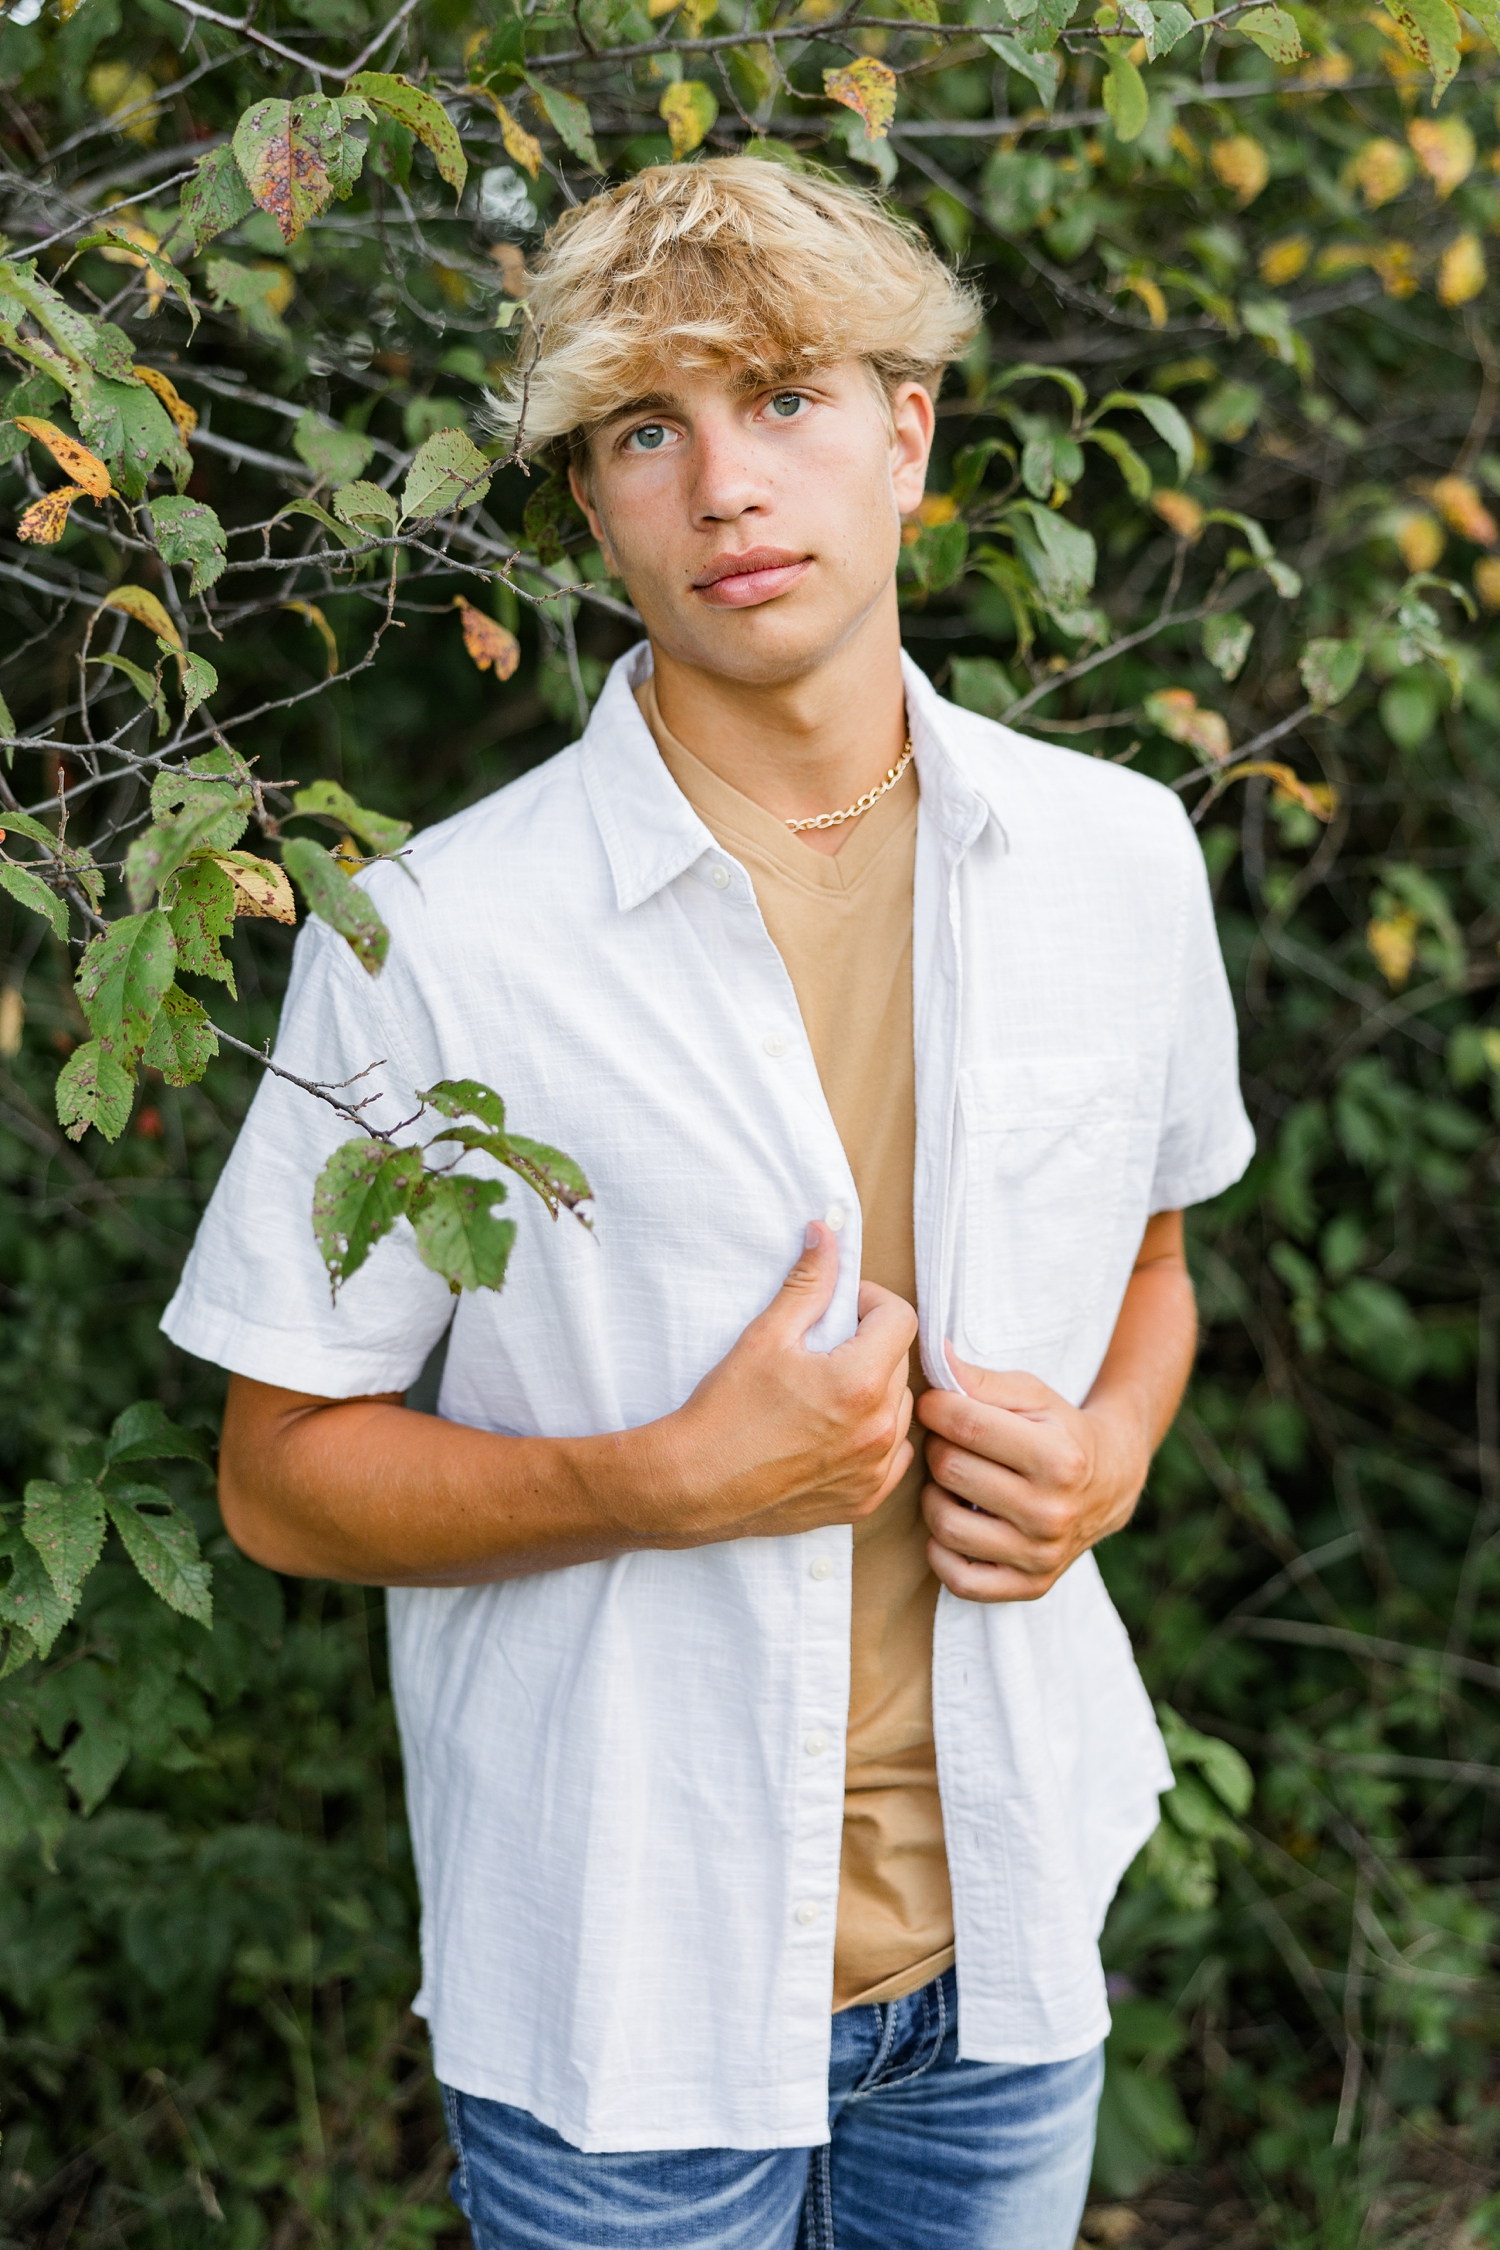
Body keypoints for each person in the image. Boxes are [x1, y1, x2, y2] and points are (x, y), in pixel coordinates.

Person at [163, 157, 1254, 2250]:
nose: (724, 486)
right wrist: (663, 1480)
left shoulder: (1121, 861)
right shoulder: (437, 938)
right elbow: (281, 1479)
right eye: (646, 432)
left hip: (1011, 1954)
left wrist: (1107, 1453)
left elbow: (1157, 1261)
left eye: (782, 398)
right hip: (625, 1996)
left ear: (911, 429)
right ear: (591, 502)